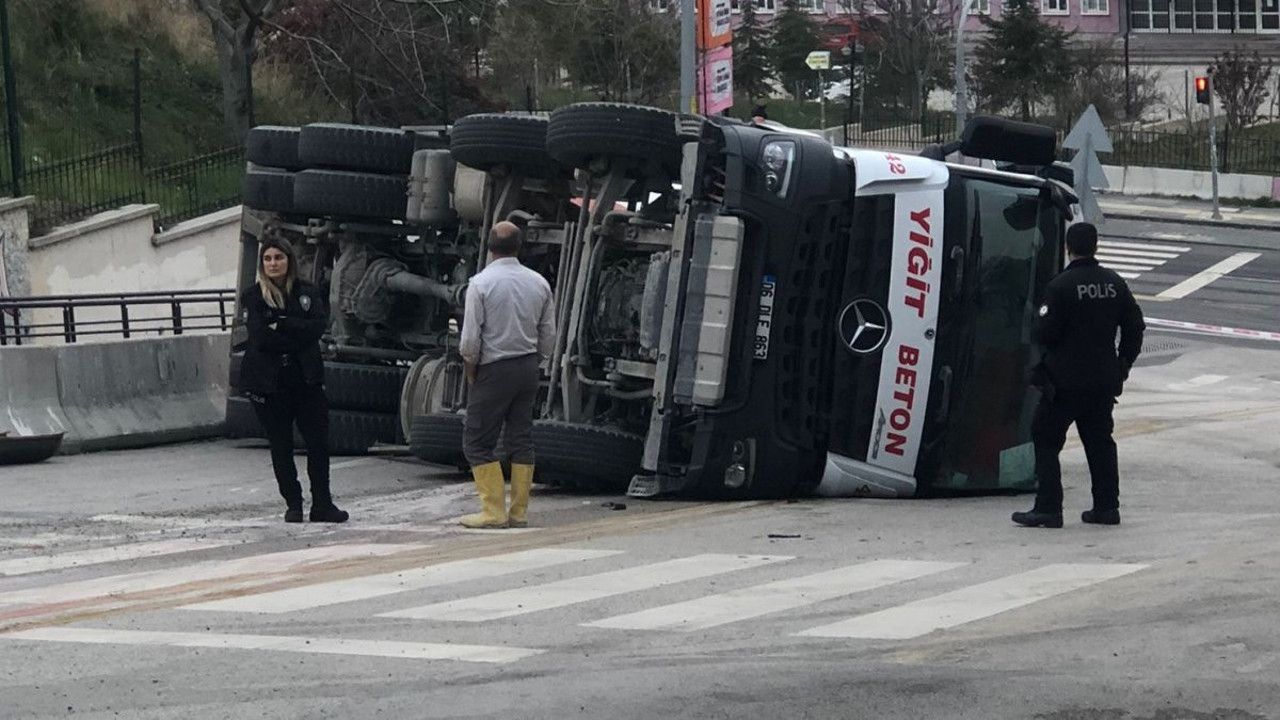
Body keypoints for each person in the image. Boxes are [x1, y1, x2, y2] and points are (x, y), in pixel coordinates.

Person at [1013, 222, 1145, 529]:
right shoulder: (1114, 283)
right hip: (1102, 381)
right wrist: (1123, 362)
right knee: (1100, 443)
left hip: (1064, 382)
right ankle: (1107, 507)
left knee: (1045, 438)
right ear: (1095, 247)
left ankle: (1048, 508)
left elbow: (1046, 333)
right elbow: (1135, 326)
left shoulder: (1061, 286)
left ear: (1068, 248)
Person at [237, 238, 348, 524]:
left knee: (318, 443)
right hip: (269, 382)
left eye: (279, 258)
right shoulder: (253, 297)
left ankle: (322, 504)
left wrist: (283, 322)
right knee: (281, 445)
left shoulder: (307, 293)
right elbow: (261, 338)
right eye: (268, 259)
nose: (273, 263)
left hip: (305, 379)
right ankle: (293, 504)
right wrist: (292, 331)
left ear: (289, 260)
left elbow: (315, 329)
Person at [458, 221, 556, 529]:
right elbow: (548, 335)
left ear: (489, 247)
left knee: (477, 440)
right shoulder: (538, 283)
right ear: (518, 247)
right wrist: (536, 359)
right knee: (520, 437)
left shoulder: (481, 283)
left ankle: (493, 511)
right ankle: (519, 512)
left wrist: (471, 370)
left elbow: (470, 340)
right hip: (527, 367)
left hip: (494, 367)